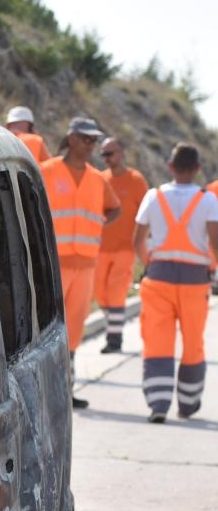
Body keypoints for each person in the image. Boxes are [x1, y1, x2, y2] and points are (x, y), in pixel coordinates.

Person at [131, 143, 218, 422]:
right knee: (193, 341)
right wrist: (212, 269)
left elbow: (138, 240)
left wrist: (150, 263)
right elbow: (215, 243)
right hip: (195, 281)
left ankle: (158, 404)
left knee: (157, 340)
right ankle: (188, 403)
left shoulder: (153, 196)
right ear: (197, 169)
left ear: (170, 166)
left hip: (158, 279)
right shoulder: (208, 200)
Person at [40, 117, 120, 408]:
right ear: (72, 138)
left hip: (85, 265)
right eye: (87, 139)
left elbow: (115, 209)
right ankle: (45, 393)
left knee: (73, 330)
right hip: (53, 265)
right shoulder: (47, 171)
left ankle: (64, 391)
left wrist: (97, 223)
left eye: (95, 141)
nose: (92, 146)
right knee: (48, 327)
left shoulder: (97, 178)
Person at [95, 137, 149, 352]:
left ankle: (114, 339)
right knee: (99, 293)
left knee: (116, 292)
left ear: (122, 153)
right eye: (103, 154)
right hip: (99, 247)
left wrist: (144, 243)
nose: (106, 158)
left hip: (126, 248)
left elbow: (146, 214)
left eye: (110, 153)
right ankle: (113, 326)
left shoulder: (136, 180)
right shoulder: (100, 179)